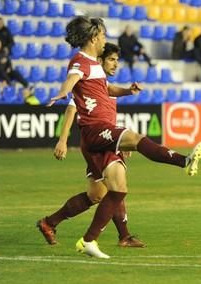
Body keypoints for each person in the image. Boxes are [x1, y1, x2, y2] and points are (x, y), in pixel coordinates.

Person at [44, 16, 201, 258]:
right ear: (94, 37)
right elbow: (72, 80)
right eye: (104, 35)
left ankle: (87, 238)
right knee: (138, 140)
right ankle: (184, 161)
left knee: (112, 191)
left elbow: (106, 89)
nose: (105, 39)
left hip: (103, 132)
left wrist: (127, 91)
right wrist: (62, 94)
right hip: (95, 130)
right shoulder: (80, 61)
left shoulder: (95, 67)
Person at [37, 43, 145, 248]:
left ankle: (49, 223)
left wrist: (120, 142)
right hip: (97, 144)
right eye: (111, 59)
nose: (115, 64)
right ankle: (124, 236)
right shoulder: (88, 83)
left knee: (97, 194)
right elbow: (71, 110)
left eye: (117, 60)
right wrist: (63, 140)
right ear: (100, 60)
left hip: (106, 140)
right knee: (115, 187)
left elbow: (107, 119)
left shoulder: (104, 85)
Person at [0, 38, 36, 103]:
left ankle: (27, 85)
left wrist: (9, 67)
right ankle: (10, 85)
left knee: (14, 72)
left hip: (4, 72)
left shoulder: (3, 52)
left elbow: (8, 61)